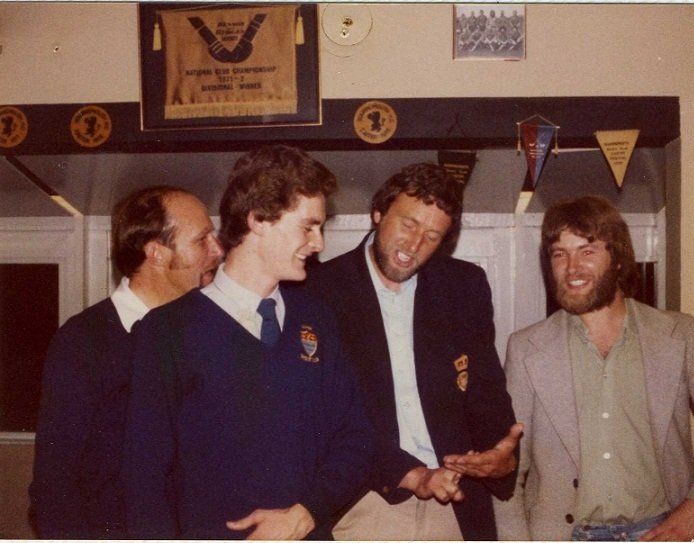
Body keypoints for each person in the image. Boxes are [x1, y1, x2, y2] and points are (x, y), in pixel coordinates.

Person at [121, 145, 373, 540]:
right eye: (308, 227)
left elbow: (356, 437)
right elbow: (144, 478)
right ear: (258, 219)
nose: (318, 243)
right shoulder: (167, 331)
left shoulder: (318, 319)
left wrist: (306, 513)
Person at [307, 163, 521, 540]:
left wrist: (501, 459)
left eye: (432, 235)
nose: (415, 244)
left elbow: (486, 391)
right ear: (378, 213)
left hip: (452, 501)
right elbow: (323, 416)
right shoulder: (318, 290)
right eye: (408, 224)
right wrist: (411, 474)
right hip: (364, 501)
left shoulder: (464, 286)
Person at [494, 195, 694, 541]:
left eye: (587, 251)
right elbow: (508, 468)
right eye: (559, 254)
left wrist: (693, 509)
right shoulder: (526, 348)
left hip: (661, 531)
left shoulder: (680, 335)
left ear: (617, 259)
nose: (572, 268)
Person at [29, 186, 222, 538]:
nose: (218, 250)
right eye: (202, 240)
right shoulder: (84, 341)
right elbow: (54, 482)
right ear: (156, 252)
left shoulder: (205, 334)